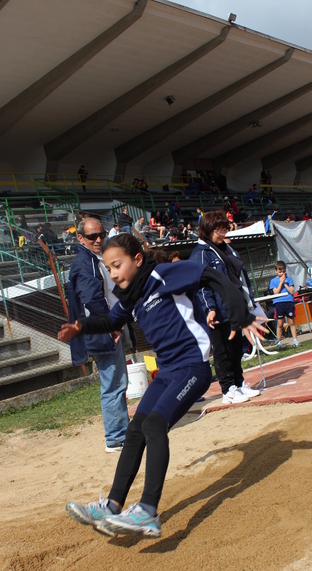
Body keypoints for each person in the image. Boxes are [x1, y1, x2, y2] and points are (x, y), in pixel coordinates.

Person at [58, 232, 266, 539]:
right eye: (108, 268)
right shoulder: (132, 296)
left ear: (137, 259)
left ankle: (147, 512)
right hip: (168, 371)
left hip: (192, 368)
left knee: (155, 426)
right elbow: (112, 321)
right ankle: (112, 505)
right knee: (135, 429)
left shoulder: (162, 274)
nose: (113, 273)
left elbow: (212, 276)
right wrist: (82, 326)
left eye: (117, 265)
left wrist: (241, 313)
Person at [67, 217, 129, 452]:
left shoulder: (95, 259)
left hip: (106, 328)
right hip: (101, 331)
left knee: (118, 382)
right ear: (81, 238)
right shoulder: (84, 262)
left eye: (101, 234)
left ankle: (121, 431)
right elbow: (92, 298)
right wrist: (110, 325)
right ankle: (115, 437)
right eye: (92, 236)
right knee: (113, 383)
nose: (98, 239)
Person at [190, 210, 261, 404]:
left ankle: (238, 383)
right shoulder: (201, 253)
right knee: (223, 351)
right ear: (207, 230)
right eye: (218, 230)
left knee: (237, 349)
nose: (222, 233)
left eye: (224, 229)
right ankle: (227, 389)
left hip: (234, 309)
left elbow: (240, 278)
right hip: (218, 310)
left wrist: (248, 302)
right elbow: (201, 284)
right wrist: (209, 308)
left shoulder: (228, 249)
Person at [269, 261, 300, 348]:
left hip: (288, 302)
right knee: (279, 323)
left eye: (283, 271)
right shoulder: (273, 281)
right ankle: (279, 342)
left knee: (291, 321)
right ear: (276, 271)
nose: (282, 273)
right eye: (280, 272)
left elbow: (291, 291)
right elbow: (276, 292)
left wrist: (285, 283)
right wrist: (280, 283)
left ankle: (295, 340)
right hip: (279, 303)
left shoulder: (289, 279)